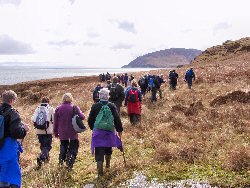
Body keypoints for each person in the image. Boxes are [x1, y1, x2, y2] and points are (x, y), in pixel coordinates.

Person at [88, 88, 123, 178]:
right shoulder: (112, 105)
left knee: (99, 149)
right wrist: (119, 130)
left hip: (98, 132)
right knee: (108, 147)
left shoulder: (95, 106)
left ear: (99, 96)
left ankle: (100, 173)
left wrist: (93, 128)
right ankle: (108, 165)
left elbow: (90, 119)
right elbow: (117, 118)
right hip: (109, 131)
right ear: (108, 96)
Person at [0, 90, 29, 188]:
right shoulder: (13, 113)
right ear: (12, 100)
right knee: (11, 173)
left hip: (1, 145)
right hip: (8, 147)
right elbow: (17, 133)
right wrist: (24, 129)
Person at [53, 93, 85, 169]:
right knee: (73, 148)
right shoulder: (74, 108)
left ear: (63, 99)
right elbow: (83, 117)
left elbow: (55, 122)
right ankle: (69, 164)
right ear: (71, 99)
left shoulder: (58, 108)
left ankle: (61, 162)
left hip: (62, 133)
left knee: (63, 146)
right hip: (73, 132)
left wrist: (55, 132)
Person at [31, 97, 55, 168]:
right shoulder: (50, 108)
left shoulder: (37, 109)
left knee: (42, 146)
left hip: (39, 131)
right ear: (48, 102)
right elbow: (55, 118)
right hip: (48, 131)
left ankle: (46, 160)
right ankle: (41, 157)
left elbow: (32, 119)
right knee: (48, 146)